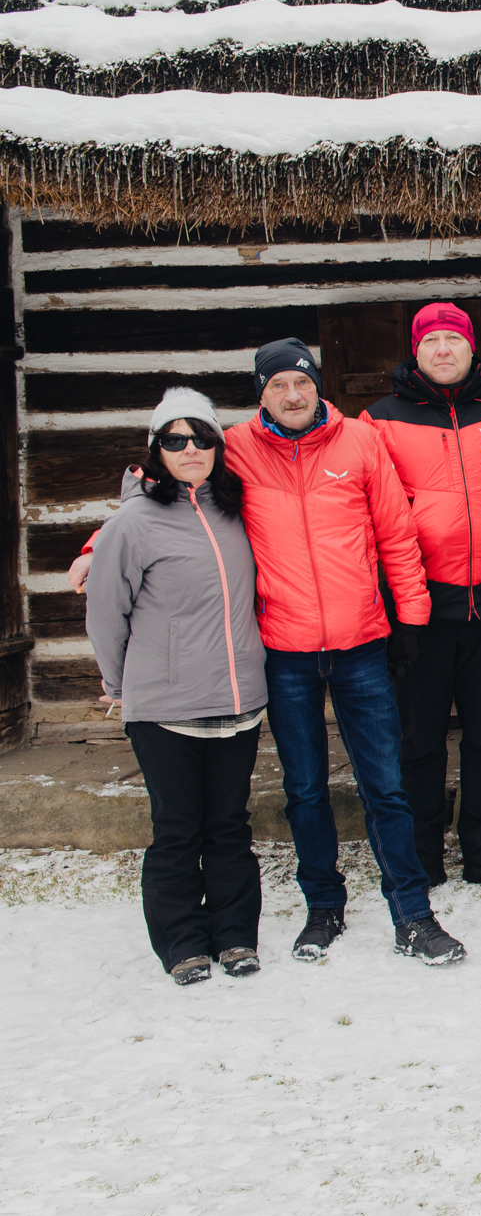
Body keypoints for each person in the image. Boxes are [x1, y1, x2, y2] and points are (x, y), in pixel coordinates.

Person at [71, 342, 464, 964]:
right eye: (276, 384)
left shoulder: (360, 442)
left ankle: (413, 914)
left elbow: (396, 531)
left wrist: (410, 618)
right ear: (261, 392)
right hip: (282, 650)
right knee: (304, 788)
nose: (290, 394)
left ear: (317, 385)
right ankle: (323, 907)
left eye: (300, 382)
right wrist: (96, 547)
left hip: (361, 643)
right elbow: (160, 488)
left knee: (384, 786)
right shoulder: (233, 449)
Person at [364, 302, 481, 896]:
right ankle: (423, 855)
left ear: (471, 348)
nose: (443, 350)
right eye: (432, 341)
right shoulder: (380, 419)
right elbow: (363, 504)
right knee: (419, 738)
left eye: (454, 339)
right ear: (415, 350)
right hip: (419, 609)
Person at [85, 390, 267, 985]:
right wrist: (121, 684)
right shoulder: (131, 523)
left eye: (203, 438)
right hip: (164, 708)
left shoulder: (236, 510)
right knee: (178, 828)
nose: (191, 450)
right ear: (156, 449)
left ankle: (236, 936)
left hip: (237, 701)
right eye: (175, 439)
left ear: (218, 445)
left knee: (229, 826)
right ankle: (183, 943)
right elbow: (106, 613)